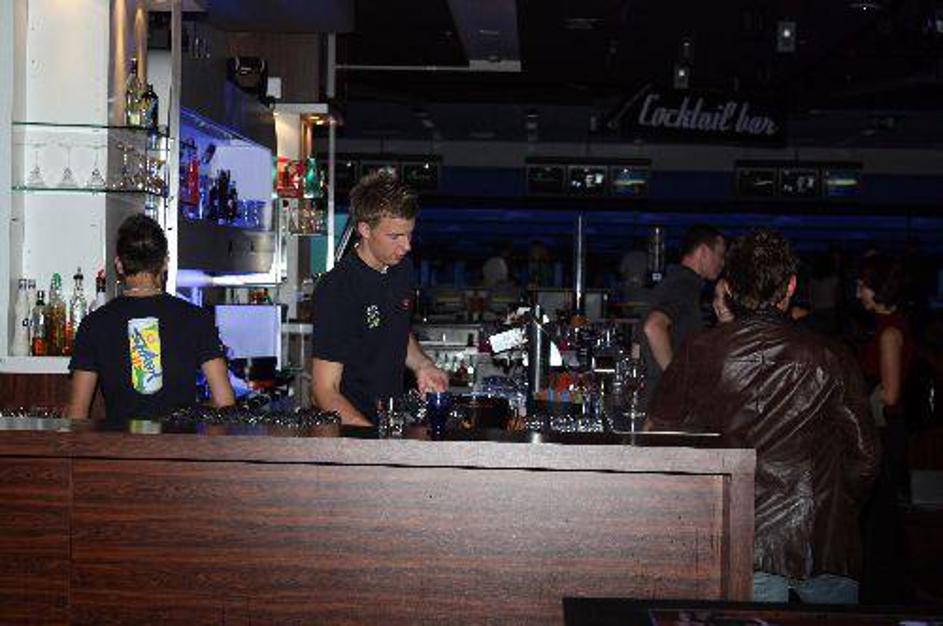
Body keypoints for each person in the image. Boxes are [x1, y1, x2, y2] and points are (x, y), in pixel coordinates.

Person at [648, 229, 880, 604]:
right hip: (823, 541)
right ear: (790, 287)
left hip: (736, 538)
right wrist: (833, 505)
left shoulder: (702, 350)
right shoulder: (831, 355)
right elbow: (865, 459)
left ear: (730, 289)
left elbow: (660, 439)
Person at [311, 171, 448, 426]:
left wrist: (423, 365)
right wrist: (370, 438)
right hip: (350, 431)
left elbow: (396, 330)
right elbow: (324, 390)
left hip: (389, 423)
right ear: (365, 229)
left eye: (409, 234)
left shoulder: (401, 269)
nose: (406, 246)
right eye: (395, 236)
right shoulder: (338, 288)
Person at [67, 214, 235, 422]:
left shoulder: (94, 324)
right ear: (165, 262)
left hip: (118, 442)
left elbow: (77, 415)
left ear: (119, 265)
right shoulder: (196, 319)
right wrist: (194, 412)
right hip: (179, 442)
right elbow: (224, 403)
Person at [856, 253, 915, 603]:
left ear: (878, 289)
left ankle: (883, 593)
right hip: (886, 433)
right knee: (882, 515)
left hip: (884, 434)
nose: (858, 292)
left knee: (881, 516)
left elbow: (889, 395)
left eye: (863, 285)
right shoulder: (888, 326)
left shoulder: (889, 331)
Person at [638, 224, 726, 404]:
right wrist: (676, 381)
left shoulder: (671, 282)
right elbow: (653, 327)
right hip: (665, 399)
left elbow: (637, 344)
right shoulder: (685, 284)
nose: (722, 263)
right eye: (720, 255)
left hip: (653, 395)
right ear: (703, 252)